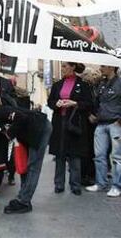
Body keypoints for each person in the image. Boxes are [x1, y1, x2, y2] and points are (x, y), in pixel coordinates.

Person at [0, 104, 52, 214]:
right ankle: (24, 197)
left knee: (33, 167)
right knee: (25, 166)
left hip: (40, 128)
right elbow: (1, 147)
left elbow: (20, 117)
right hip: (27, 134)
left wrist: (9, 134)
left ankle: (24, 201)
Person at [48, 62, 93, 196]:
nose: (62, 69)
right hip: (59, 122)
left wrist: (75, 103)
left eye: (65, 66)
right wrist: (56, 103)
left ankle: (75, 184)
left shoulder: (83, 85)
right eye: (62, 66)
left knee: (75, 154)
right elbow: (50, 102)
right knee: (60, 154)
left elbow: (89, 103)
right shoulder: (57, 85)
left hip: (74, 123)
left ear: (73, 67)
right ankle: (59, 184)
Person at [86, 65, 121, 197]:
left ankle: (117, 186)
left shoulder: (119, 83)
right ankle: (101, 183)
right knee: (99, 156)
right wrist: (92, 113)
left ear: (112, 67)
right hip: (101, 123)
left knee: (117, 157)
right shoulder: (101, 84)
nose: (101, 68)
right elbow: (97, 102)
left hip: (116, 123)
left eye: (103, 66)